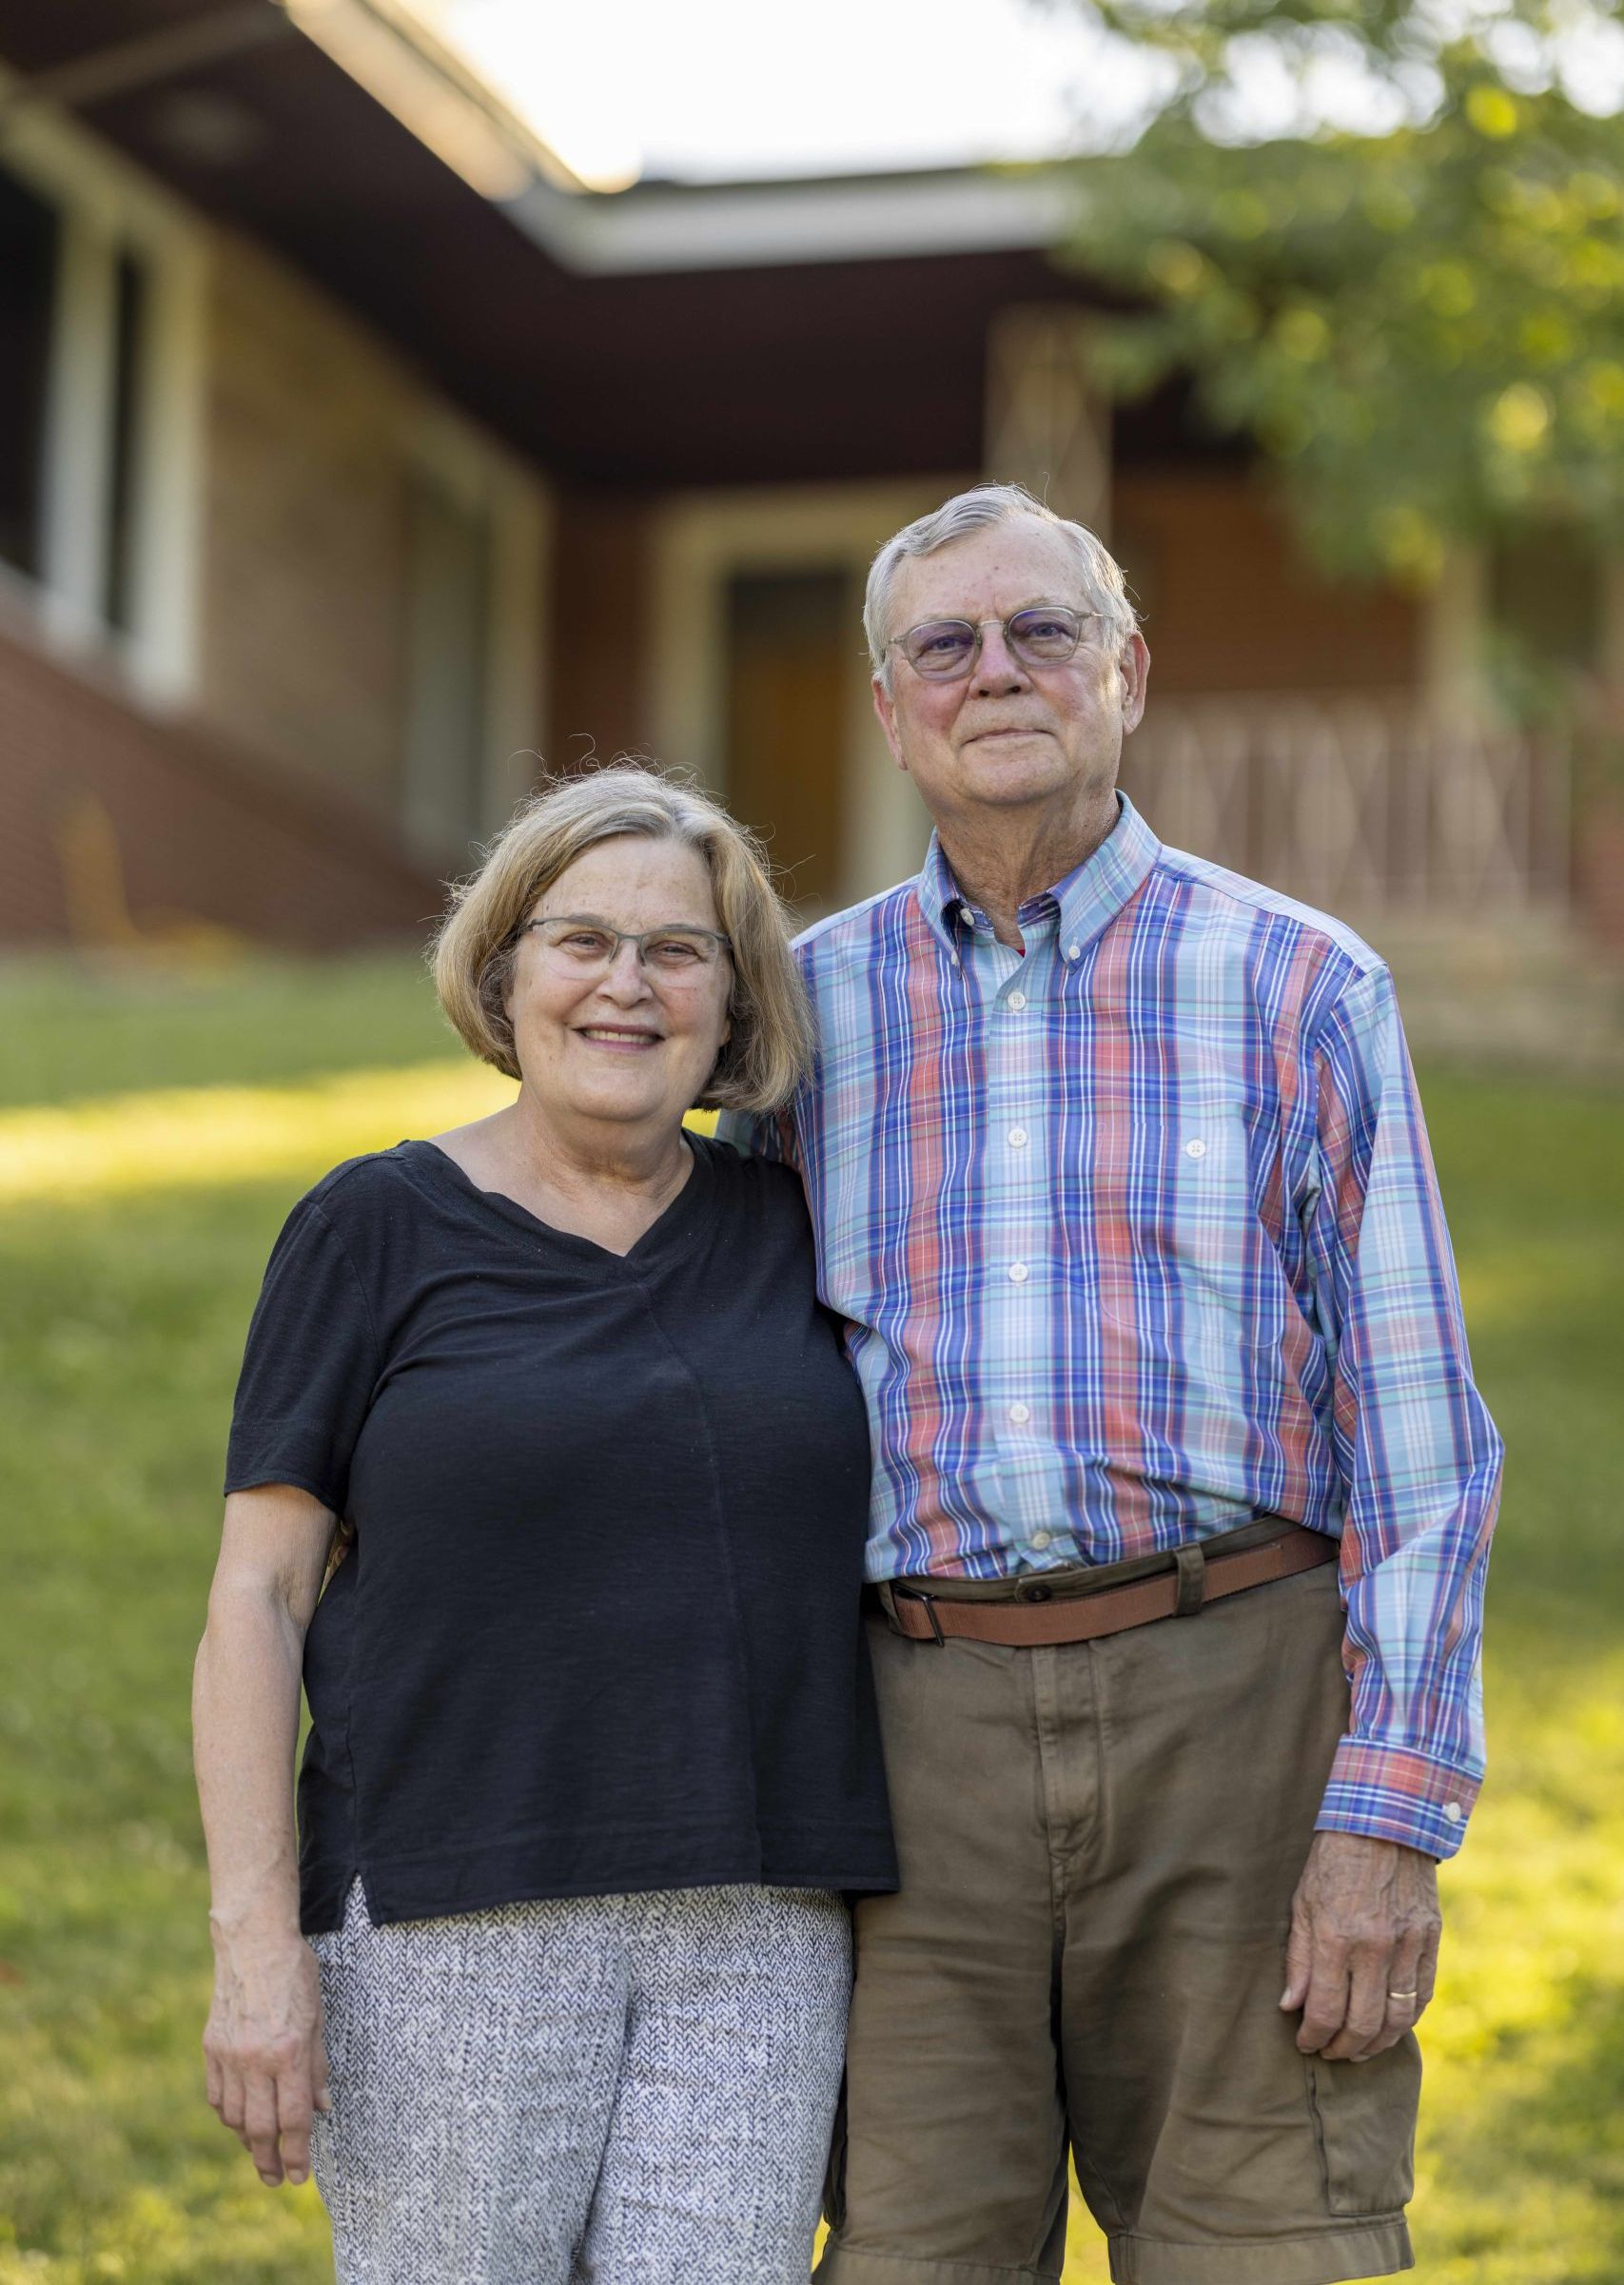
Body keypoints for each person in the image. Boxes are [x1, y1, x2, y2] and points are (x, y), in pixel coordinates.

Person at [729, 484, 1502, 2285]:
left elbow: (1418, 1436)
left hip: (1238, 1706)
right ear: (891, 705)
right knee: (912, 2252)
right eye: (946, 642)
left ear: (1128, 671)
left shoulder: (1303, 982)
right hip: (908, 1741)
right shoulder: (795, 1023)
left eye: (1042, 630)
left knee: (1265, 2246)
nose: (995, 669)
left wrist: (1387, 1818)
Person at [191, 763, 895, 2285]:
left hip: (759, 1928)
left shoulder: (795, 1229)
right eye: (582, 941)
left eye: (678, 950)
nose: (626, 985)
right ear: (506, 972)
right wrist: (256, 1944)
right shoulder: (372, 1227)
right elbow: (258, 1597)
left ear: (732, 1002)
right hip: (455, 1915)